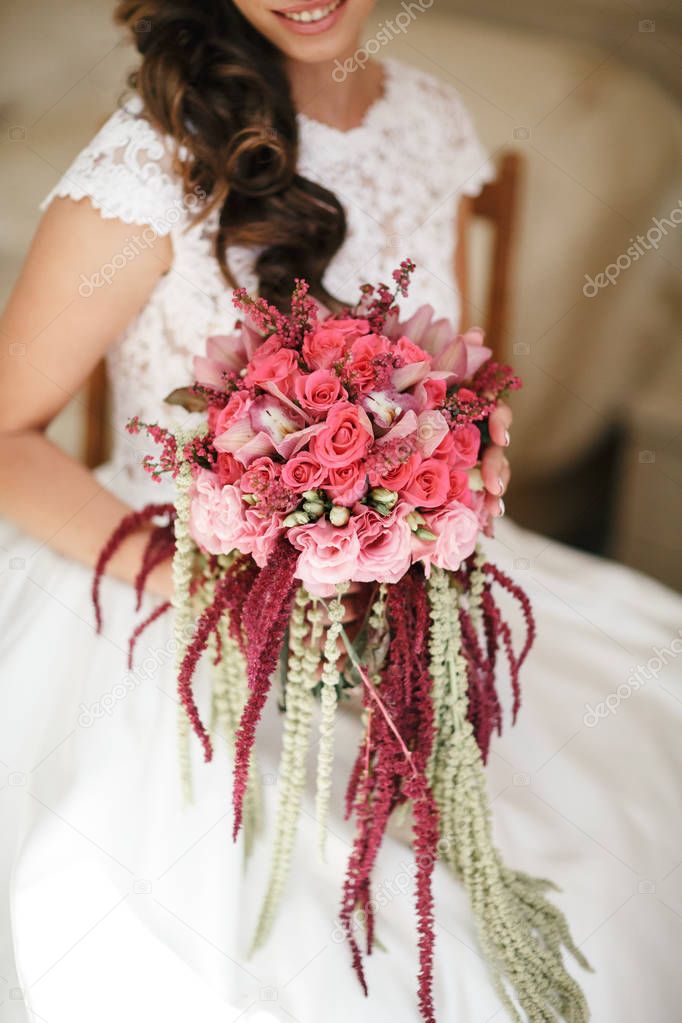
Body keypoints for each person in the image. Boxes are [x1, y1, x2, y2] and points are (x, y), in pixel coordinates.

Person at [0, 2, 679, 1021]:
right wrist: (204, 589)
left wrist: (457, 460)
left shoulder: (432, 119)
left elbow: (449, 368)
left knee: (629, 797)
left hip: (407, 575)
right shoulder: (147, 168)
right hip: (173, 578)